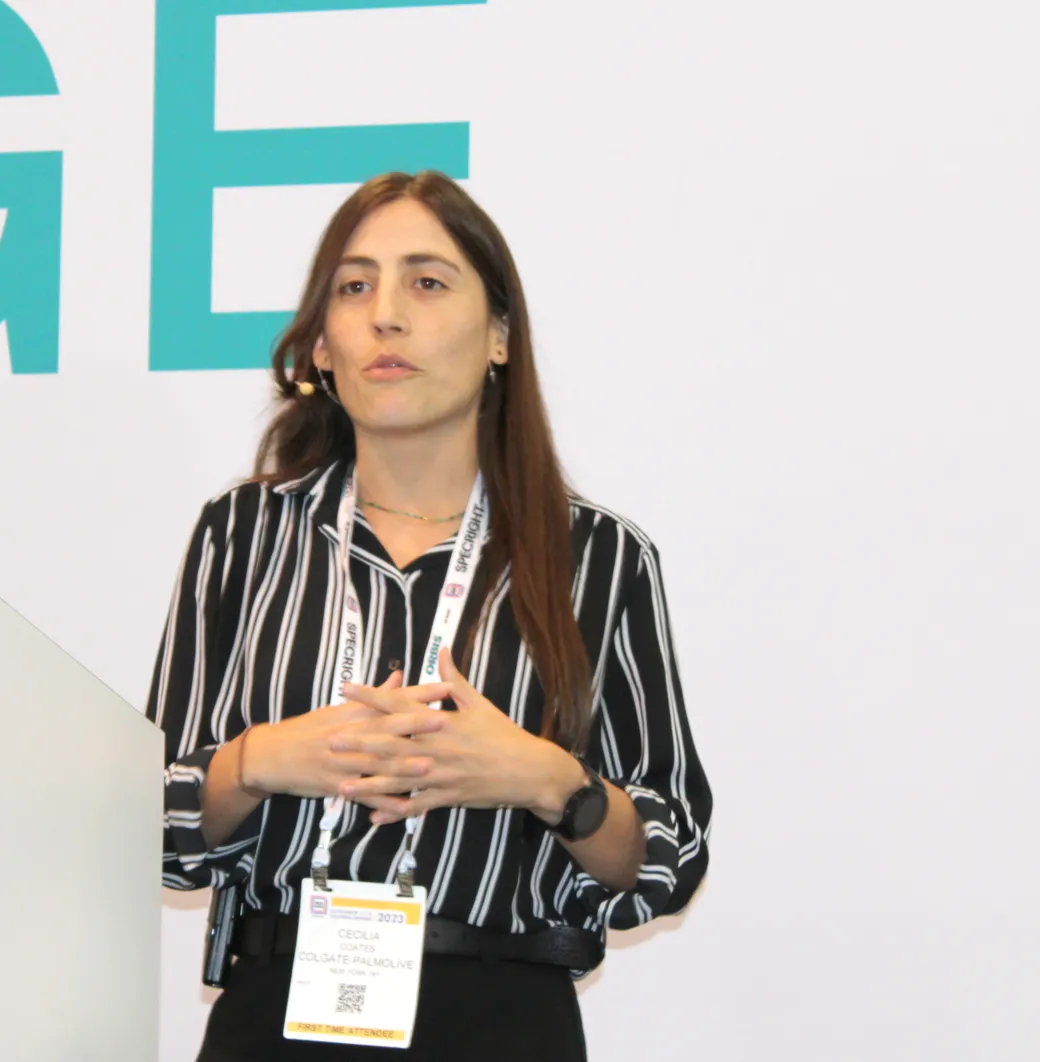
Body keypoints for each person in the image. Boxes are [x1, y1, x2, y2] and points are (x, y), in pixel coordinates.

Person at [148, 171, 712, 1062]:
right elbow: (150, 822)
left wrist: (547, 781)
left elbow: (667, 858)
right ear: (322, 349)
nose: (386, 317)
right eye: (355, 285)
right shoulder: (243, 535)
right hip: (278, 1009)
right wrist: (260, 762)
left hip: (500, 1016)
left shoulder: (600, 558)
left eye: (428, 282)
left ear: (499, 338)